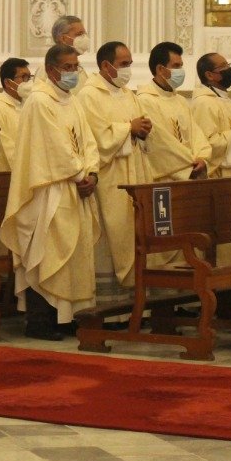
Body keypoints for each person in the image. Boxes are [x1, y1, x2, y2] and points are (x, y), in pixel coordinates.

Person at [1, 44, 101, 341]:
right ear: (51, 69)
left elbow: (88, 141)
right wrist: (82, 174)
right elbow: (55, 147)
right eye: (68, 68)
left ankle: (66, 316)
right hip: (49, 190)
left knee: (72, 255)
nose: (73, 73)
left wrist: (92, 172)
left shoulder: (71, 100)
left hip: (75, 186)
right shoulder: (39, 102)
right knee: (48, 254)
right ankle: (40, 321)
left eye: (75, 67)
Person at [76, 41, 150, 290]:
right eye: (124, 64)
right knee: (113, 235)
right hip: (110, 178)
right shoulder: (89, 95)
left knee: (134, 234)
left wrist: (142, 129)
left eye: (130, 63)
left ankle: (136, 300)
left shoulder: (129, 94)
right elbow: (95, 138)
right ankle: (110, 310)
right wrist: (130, 128)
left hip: (134, 171)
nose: (128, 69)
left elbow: (139, 126)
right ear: (106, 65)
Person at [138, 42, 210, 181]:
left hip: (192, 171)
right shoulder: (145, 100)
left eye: (181, 66)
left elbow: (196, 134)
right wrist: (188, 165)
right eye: (176, 66)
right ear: (160, 69)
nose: (181, 70)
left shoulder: (180, 101)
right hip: (166, 178)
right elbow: (159, 142)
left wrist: (202, 158)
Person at [192, 52, 231, 178]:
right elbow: (206, 144)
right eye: (223, 66)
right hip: (216, 176)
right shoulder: (203, 102)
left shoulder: (230, 103)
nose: (228, 69)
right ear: (209, 75)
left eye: (228, 64)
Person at [0, 58, 31, 173]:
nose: (28, 82)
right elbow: (4, 147)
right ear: (8, 82)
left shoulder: (28, 104)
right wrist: (27, 169)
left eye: (29, 77)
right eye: (23, 77)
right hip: (13, 172)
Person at [49, 15, 92, 93]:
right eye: (79, 34)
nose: (84, 38)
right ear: (63, 38)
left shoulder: (80, 69)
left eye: (84, 34)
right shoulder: (49, 69)